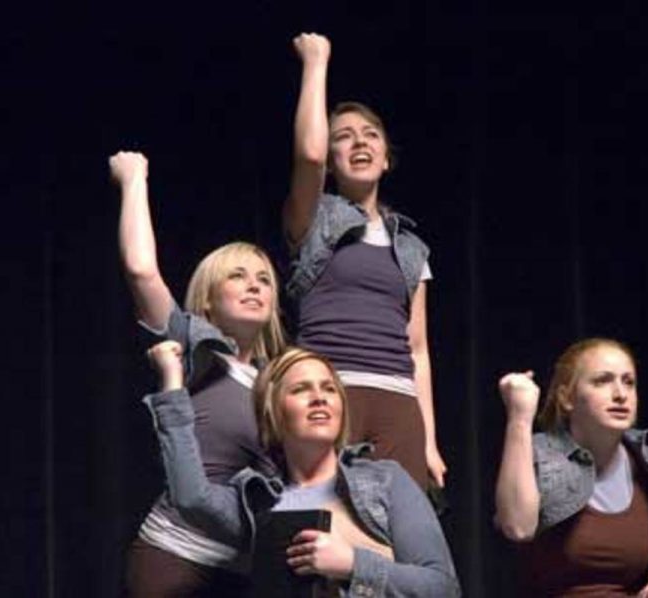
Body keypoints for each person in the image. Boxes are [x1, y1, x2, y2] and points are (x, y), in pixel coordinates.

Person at [145, 344, 461, 597]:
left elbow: (443, 587)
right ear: (274, 410)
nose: (319, 398)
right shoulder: (257, 502)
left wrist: (352, 563)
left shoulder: (386, 480)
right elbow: (189, 497)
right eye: (301, 390)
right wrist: (172, 387)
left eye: (329, 389)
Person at [109, 151, 286, 596]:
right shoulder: (196, 348)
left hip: (241, 573)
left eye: (264, 280)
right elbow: (141, 270)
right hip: (173, 557)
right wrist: (134, 179)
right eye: (239, 277)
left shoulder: (280, 380)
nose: (254, 286)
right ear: (208, 299)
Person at [284, 32, 445, 490]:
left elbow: (418, 349)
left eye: (370, 135)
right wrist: (317, 63)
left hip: (398, 403)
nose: (360, 142)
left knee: (394, 542)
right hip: (331, 391)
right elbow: (308, 155)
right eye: (344, 137)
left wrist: (429, 439)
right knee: (327, 529)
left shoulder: (412, 247)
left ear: (386, 158)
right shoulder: (314, 218)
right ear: (332, 161)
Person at [493, 338, 648, 597]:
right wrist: (519, 418)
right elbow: (517, 527)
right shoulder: (540, 453)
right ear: (566, 398)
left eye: (628, 382)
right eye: (602, 381)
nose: (620, 394)